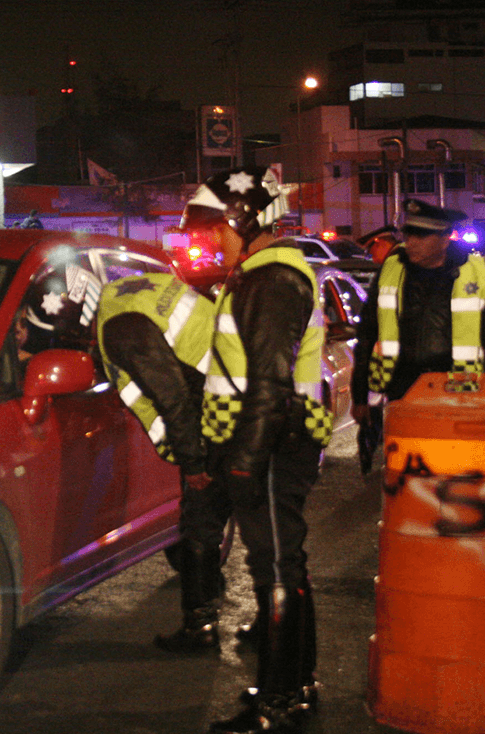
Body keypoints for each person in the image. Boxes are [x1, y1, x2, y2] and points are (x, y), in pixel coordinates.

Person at [180, 166, 332, 734]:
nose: (209, 238)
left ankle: (276, 702)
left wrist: (244, 459)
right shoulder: (257, 277)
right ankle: (295, 685)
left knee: (273, 568)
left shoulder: (271, 282)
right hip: (275, 445)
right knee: (285, 565)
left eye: (216, 226)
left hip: (272, 449)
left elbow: (269, 384)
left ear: (244, 219)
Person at [95, 271, 224, 653]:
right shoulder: (132, 291)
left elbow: (174, 398)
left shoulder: (120, 327)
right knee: (258, 525)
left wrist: (193, 461)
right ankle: (265, 622)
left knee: (200, 524)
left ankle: (201, 625)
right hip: (242, 392)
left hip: (216, 410)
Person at [351, 199, 485, 435]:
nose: (411, 243)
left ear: (444, 238)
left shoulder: (475, 273)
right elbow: (367, 335)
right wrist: (359, 396)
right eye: (409, 236)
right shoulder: (392, 269)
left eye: (421, 236)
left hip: (459, 394)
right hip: (402, 391)